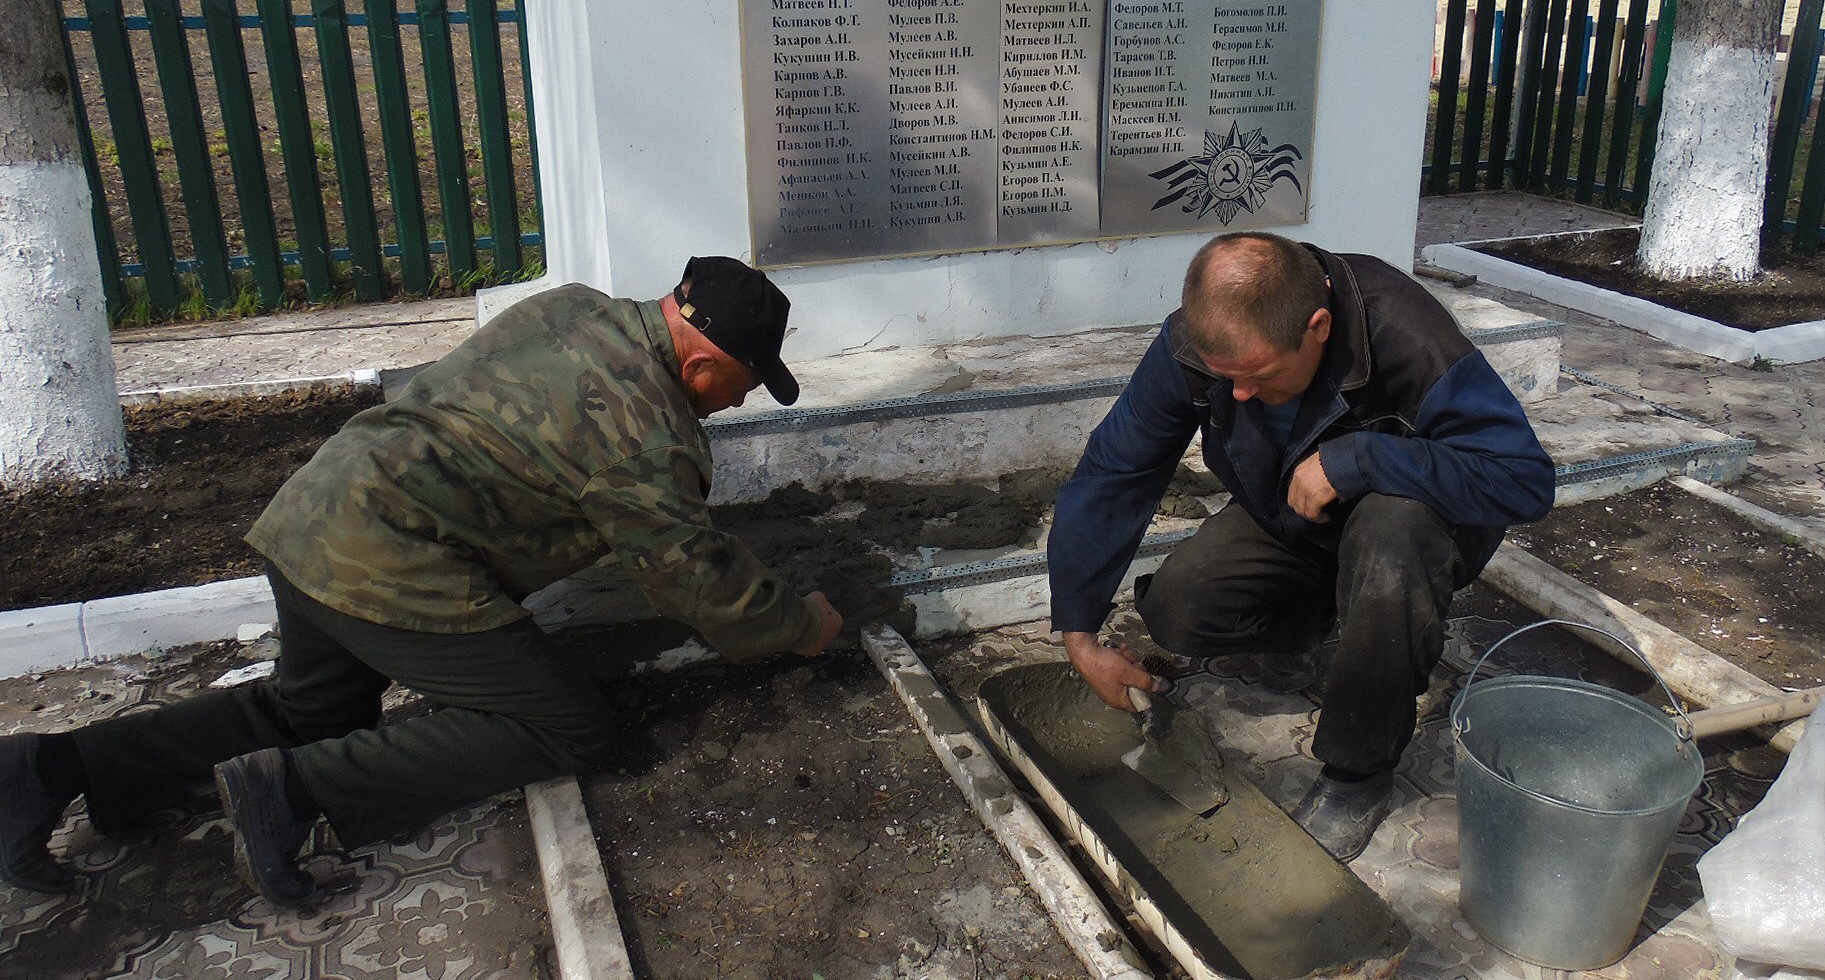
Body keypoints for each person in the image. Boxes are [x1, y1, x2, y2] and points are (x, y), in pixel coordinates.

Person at [0, 257, 845, 905]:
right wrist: (801, 624)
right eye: (744, 386)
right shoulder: (647, 429)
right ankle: (286, 792)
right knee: (572, 728)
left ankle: (48, 771)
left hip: (315, 513)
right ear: (704, 367)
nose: (737, 406)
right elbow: (694, 581)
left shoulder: (576, 307)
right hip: (398, 563)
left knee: (312, 711)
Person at [1048, 232, 1553, 860]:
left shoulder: (1406, 336)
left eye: (1258, 377)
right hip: (1293, 515)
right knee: (1181, 605)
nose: (1238, 397)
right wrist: (1079, 632)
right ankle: (1323, 635)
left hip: (1411, 526)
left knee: (1390, 549)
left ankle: (1358, 770)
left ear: (1317, 327)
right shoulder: (1200, 341)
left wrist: (1362, 458)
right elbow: (1113, 474)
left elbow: (1523, 480)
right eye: (1225, 379)